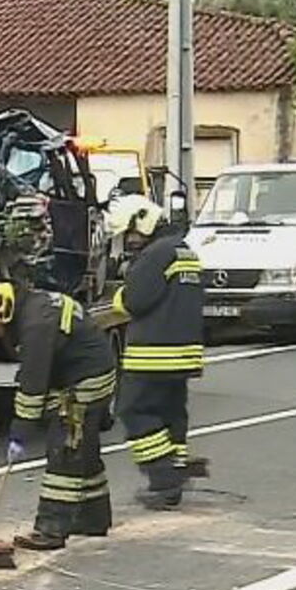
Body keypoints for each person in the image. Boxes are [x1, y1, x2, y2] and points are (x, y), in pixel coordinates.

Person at [0, 274, 117, 550]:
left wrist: (19, 433)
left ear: (0, 311)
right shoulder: (27, 308)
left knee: (64, 449)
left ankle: (51, 529)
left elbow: (33, 385)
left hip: (87, 379)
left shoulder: (36, 325)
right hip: (80, 372)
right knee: (84, 451)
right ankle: (93, 518)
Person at [108, 194, 207, 509]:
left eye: (130, 234)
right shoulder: (184, 251)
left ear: (143, 222)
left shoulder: (156, 255)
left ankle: (163, 478)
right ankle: (175, 473)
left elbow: (135, 301)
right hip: (184, 351)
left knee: (133, 411)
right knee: (171, 412)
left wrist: (119, 297)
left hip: (153, 352)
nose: (130, 242)